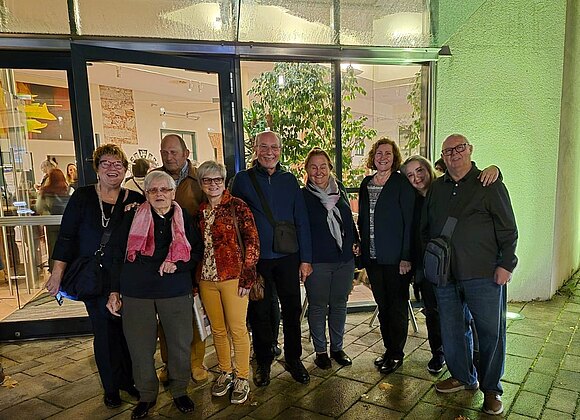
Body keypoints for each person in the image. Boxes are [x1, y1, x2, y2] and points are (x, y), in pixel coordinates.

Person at [421, 134, 518, 416]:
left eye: (460, 148)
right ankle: (463, 377)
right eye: (448, 150)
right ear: (443, 157)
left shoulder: (488, 183)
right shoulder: (437, 188)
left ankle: (492, 389)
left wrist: (506, 264)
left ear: (470, 150)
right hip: (445, 275)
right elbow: (425, 227)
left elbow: (508, 228)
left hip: (483, 273)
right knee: (453, 330)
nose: (454, 154)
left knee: (490, 333)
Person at [45, 144, 144, 408]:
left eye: (118, 164)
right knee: (104, 332)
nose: (112, 168)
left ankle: (128, 381)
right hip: (95, 276)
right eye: (106, 163)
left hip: (126, 277)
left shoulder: (135, 199)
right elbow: (66, 237)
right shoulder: (83, 197)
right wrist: (56, 274)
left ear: (125, 169)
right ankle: (111, 387)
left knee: (126, 332)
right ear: (97, 169)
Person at [106, 171, 201, 419]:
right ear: (146, 194)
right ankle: (147, 395)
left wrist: (177, 265)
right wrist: (114, 291)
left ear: (173, 192)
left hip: (175, 289)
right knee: (140, 347)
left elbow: (196, 252)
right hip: (136, 291)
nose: (160, 194)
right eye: (153, 190)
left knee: (180, 344)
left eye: (165, 189)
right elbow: (116, 255)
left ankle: (179, 390)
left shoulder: (184, 217)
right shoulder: (131, 217)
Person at [401, 155, 499, 374]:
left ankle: (474, 361)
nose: (416, 178)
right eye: (410, 175)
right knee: (434, 312)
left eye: (420, 171)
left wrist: (495, 169)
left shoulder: (445, 189)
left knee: (466, 316)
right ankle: (440, 354)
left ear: (429, 169)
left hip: (459, 264)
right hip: (427, 265)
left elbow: (474, 181)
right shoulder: (410, 200)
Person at [230, 130, 312, 387]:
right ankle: (263, 361)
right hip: (256, 259)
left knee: (292, 309)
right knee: (260, 312)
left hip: (288, 257)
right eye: (263, 147)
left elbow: (302, 220)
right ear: (255, 149)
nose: (269, 152)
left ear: (280, 150)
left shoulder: (289, 180)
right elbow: (234, 221)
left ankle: (294, 359)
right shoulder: (242, 180)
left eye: (274, 147)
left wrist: (306, 259)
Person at [196, 160, 260, 404]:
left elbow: (252, 241)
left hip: (234, 277)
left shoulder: (237, 206)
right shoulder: (200, 211)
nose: (213, 184)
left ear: (224, 182)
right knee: (218, 330)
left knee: (238, 328)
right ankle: (225, 372)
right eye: (207, 180)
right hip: (207, 279)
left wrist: (248, 276)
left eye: (218, 180)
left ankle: (242, 376)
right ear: (201, 183)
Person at [358, 138, 415, 375]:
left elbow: (409, 223)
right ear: (373, 156)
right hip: (373, 258)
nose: (383, 157)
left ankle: (396, 354)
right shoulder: (366, 183)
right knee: (383, 306)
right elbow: (362, 219)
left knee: (397, 307)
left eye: (388, 154)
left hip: (396, 260)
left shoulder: (401, 183)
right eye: (379, 153)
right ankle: (388, 350)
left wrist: (406, 257)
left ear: (394, 158)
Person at [154, 134, 207, 383]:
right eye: (165, 152)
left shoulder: (199, 180)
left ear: (186, 153)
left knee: (194, 311)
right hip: (163, 258)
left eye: (174, 152)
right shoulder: (155, 178)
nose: (169, 157)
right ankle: (169, 363)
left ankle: (196, 362)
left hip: (193, 256)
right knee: (165, 316)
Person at [302, 148, 358, 370]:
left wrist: (355, 242)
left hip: (344, 260)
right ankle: (321, 351)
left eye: (323, 166)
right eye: (313, 167)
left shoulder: (339, 189)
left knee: (339, 305)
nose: (319, 171)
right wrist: (305, 261)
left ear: (330, 168)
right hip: (317, 262)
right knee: (318, 306)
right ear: (307, 170)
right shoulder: (303, 196)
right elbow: (301, 231)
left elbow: (348, 221)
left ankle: (337, 348)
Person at [35, 168, 70, 272]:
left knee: (53, 248)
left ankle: (54, 271)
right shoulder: (68, 190)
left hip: (52, 224)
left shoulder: (45, 191)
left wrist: (47, 216)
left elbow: (39, 207)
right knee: (67, 247)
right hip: (67, 223)